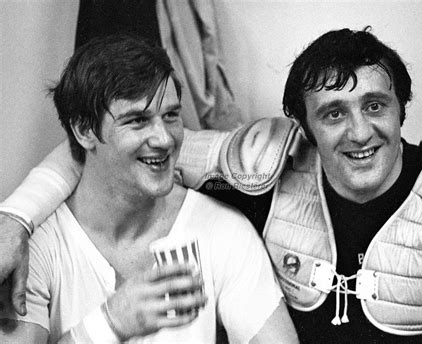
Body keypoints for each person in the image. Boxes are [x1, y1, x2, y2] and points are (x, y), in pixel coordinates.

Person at [0, 27, 422, 343]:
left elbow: (120, 143)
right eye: (333, 113)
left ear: (401, 107)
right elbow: (104, 153)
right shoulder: (258, 169)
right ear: (304, 127)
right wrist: (18, 215)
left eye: (375, 105)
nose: (360, 132)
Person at [0, 34, 298, 343]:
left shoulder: (221, 230)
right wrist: (112, 323)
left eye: (170, 116)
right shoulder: (31, 248)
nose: (165, 139)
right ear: (84, 130)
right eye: (138, 120)